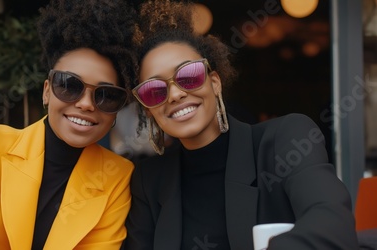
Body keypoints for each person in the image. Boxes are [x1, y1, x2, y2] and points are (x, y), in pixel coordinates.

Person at [123, 1, 359, 249]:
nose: (174, 95)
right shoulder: (148, 181)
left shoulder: (285, 141)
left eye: (188, 76)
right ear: (148, 110)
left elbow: (333, 225)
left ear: (214, 83)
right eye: (154, 90)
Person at [0, 0, 138, 249]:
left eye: (106, 95)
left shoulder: (117, 177)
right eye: (69, 85)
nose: (86, 104)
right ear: (46, 92)